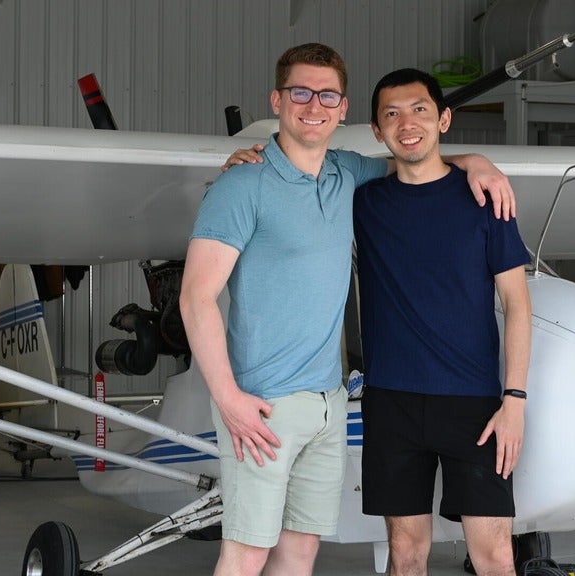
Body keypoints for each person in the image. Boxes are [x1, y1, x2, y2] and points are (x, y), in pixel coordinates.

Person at [180, 43, 516, 576]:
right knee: (245, 553)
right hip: (260, 405)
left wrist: (475, 161)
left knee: (302, 549)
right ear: (277, 99)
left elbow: (415, 159)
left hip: (328, 401)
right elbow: (195, 296)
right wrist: (229, 399)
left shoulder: (347, 174)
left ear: (342, 108)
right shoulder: (242, 184)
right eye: (301, 92)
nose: (313, 106)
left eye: (327, 95)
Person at [354, 68, 532, 576]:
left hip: (474, 404)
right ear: (376, 130)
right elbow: (302, 173)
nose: (406, 123)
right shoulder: (364, 201)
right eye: (391, 113)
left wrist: (514, 400)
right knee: (406, 554)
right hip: (392, 401)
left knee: (495, 555)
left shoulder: (487, 201)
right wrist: (246, 157)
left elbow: (517, 304)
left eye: (420, 110)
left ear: (444, 119)